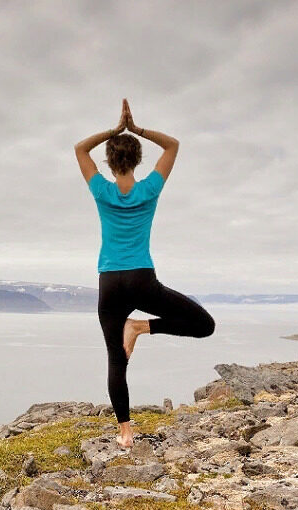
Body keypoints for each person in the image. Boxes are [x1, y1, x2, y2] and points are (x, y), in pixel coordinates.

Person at [74, 98, 216, 449]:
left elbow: (79, 149)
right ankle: (141, 327)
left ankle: (124, 431)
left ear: (108, 161)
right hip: (141, 280)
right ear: (138, 160)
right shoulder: (149, 189)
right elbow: (173, 145)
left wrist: (114, 129)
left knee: (115, 360)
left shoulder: (102, 191)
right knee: (204, 325)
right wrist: (135, 129)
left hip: (109, 283)